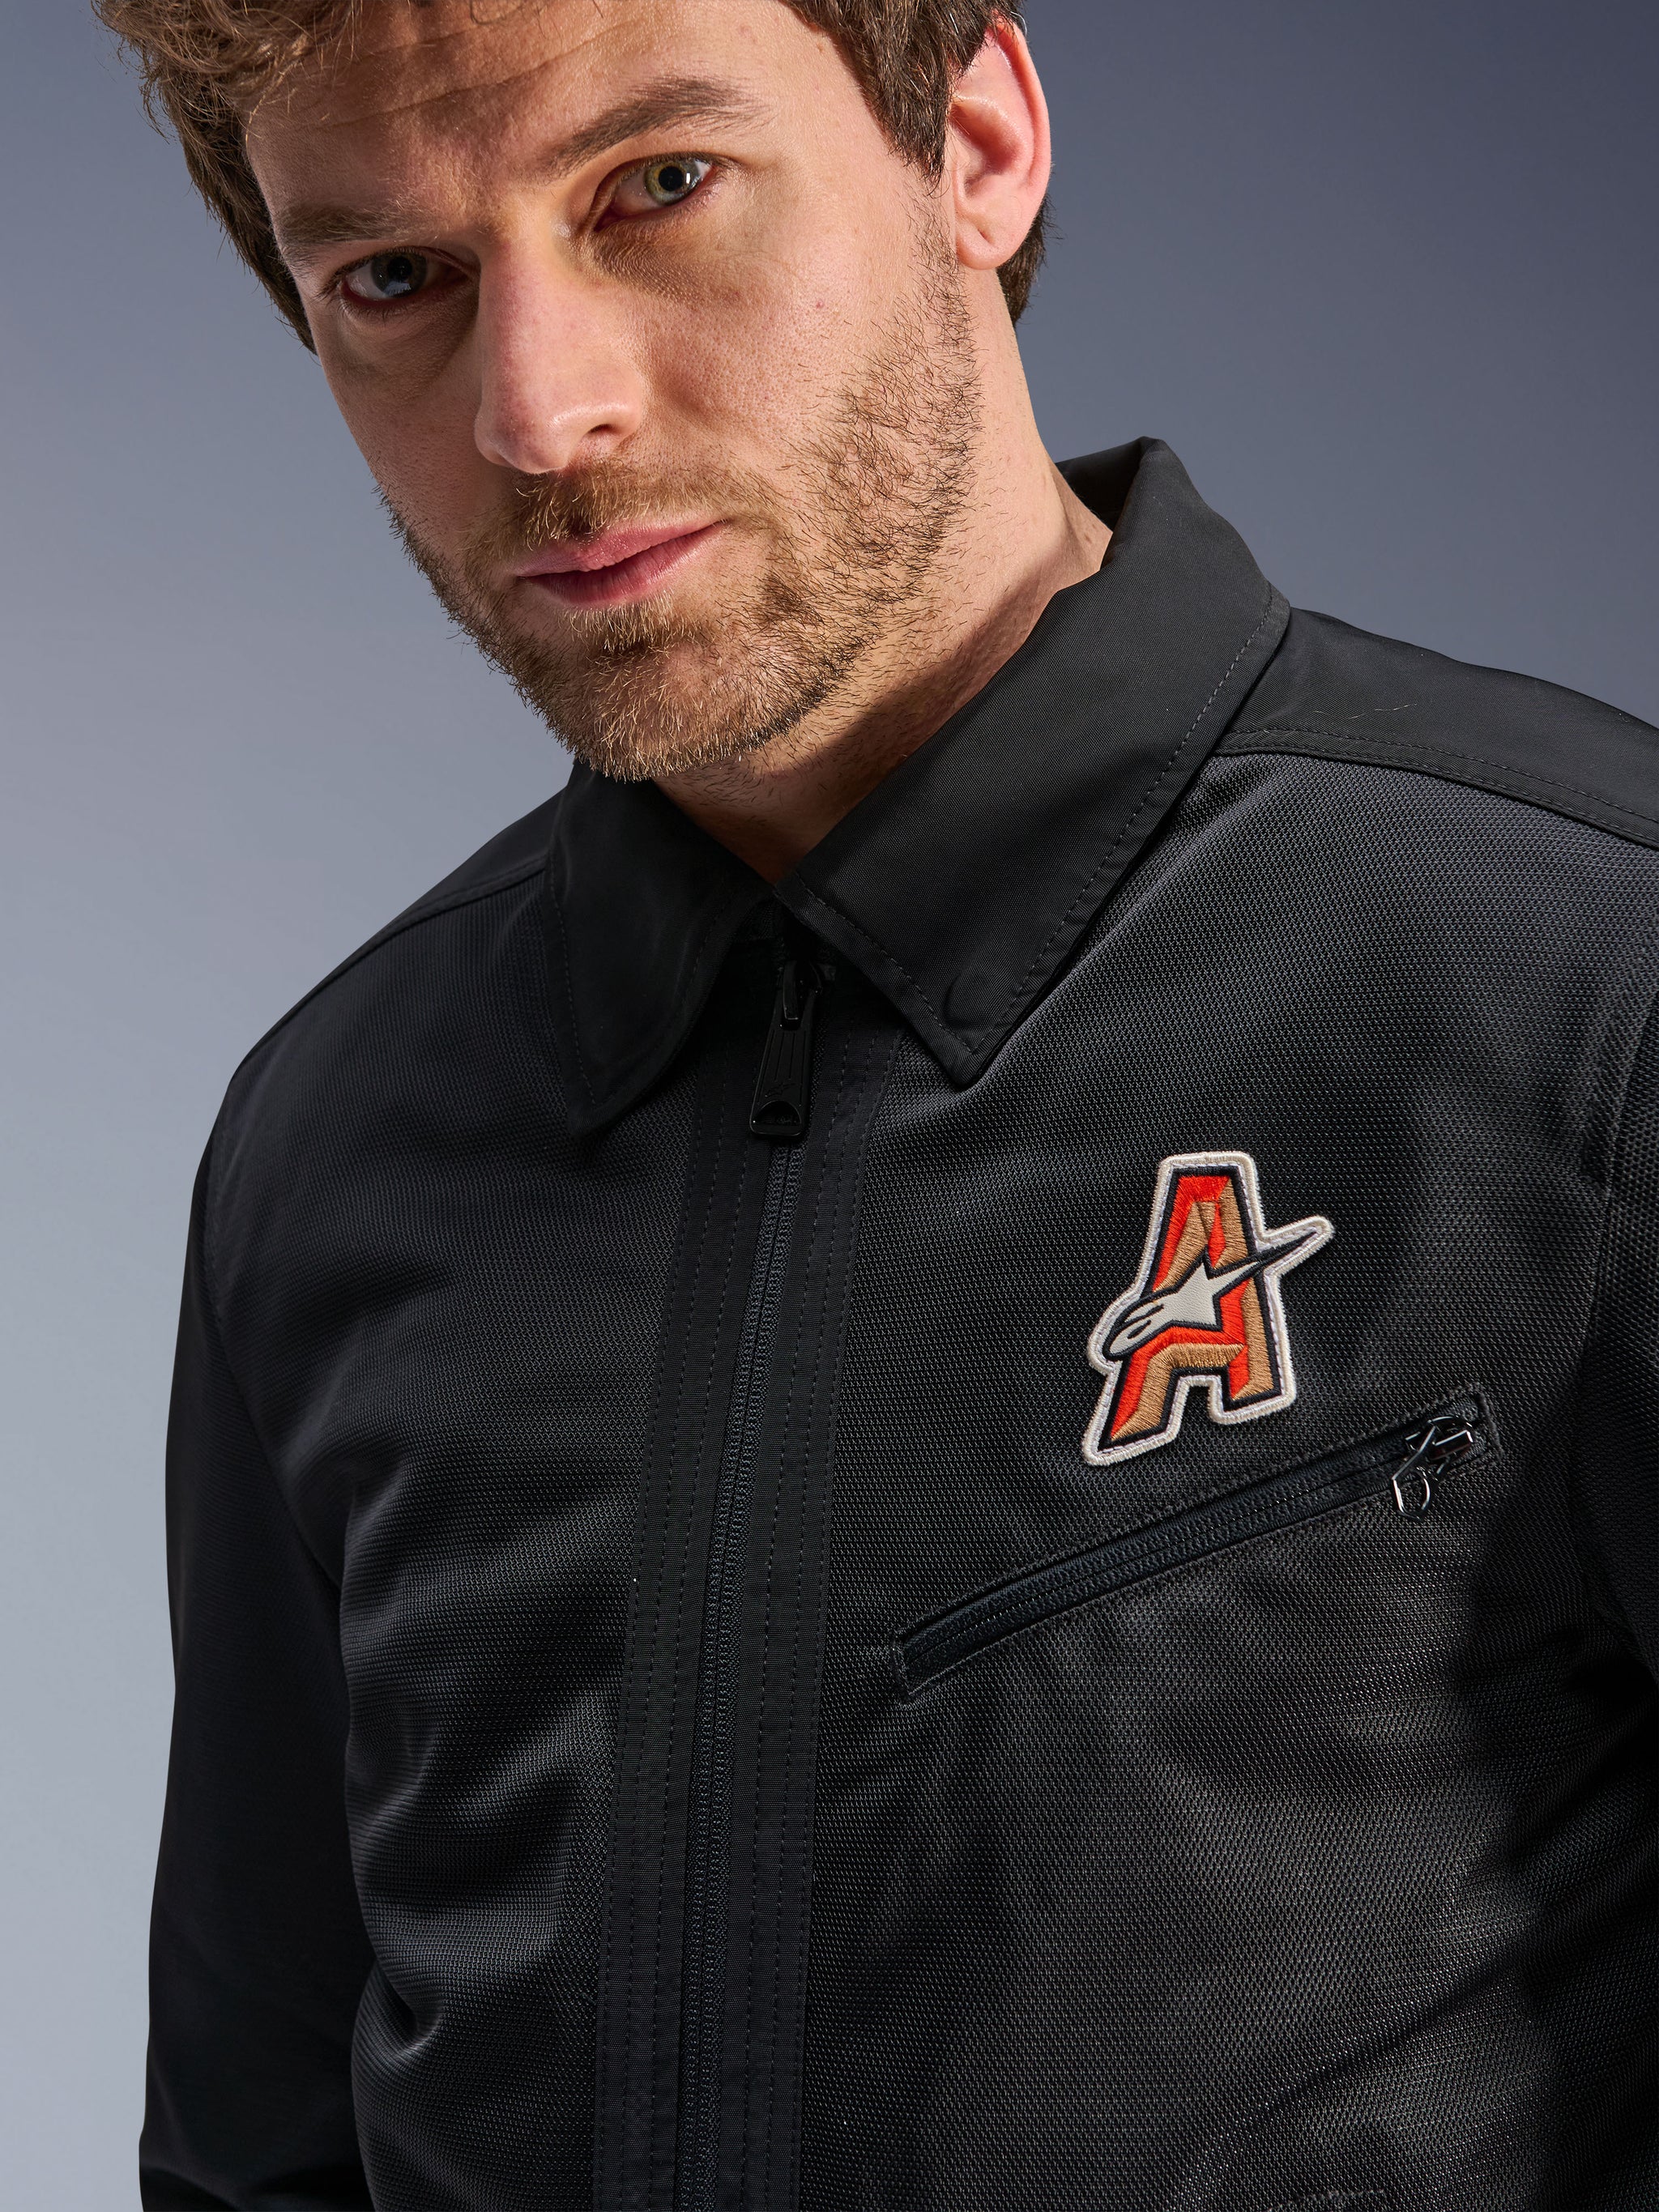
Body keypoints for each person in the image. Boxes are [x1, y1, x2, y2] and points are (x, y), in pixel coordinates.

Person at [99, 2, 1657, 2207]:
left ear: (979, 142)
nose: (540, 408)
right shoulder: (331, 1148)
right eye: (395, 278)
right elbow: (255, 2158)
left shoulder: (1583, 965)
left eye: (658, 187)